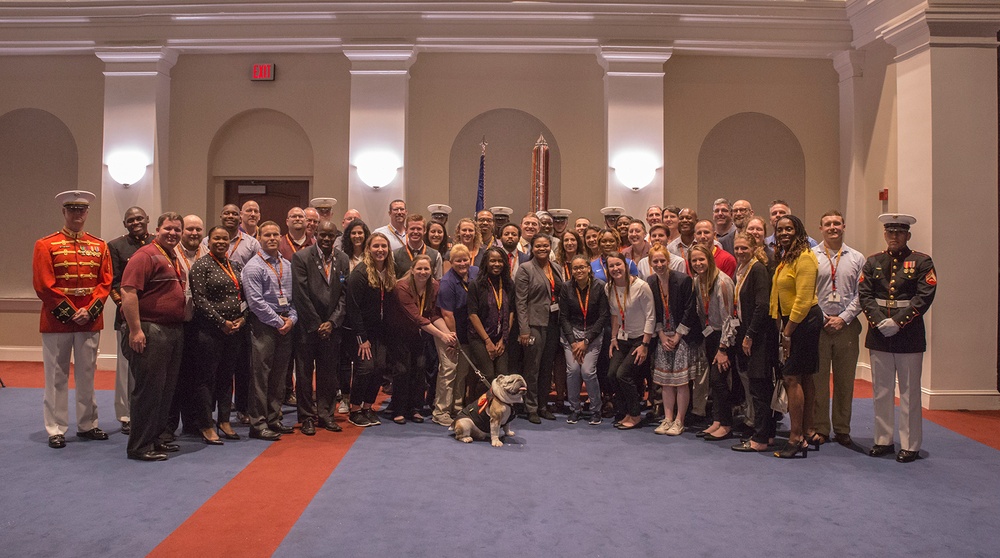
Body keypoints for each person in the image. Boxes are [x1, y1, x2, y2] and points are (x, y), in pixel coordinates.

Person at [33, 190, 113, 450]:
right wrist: (70, 313)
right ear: (64, 212)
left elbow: (106, 282)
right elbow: (44, 285)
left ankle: (87, 424)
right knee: (56, 376)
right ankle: (55, 428)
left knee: (87, 374)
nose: (78, 214)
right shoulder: (45, 244)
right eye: (72, 210)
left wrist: (90, 311)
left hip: (89, 319)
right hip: (58, 320)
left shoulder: (99, 245)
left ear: (87, 213)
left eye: (82, 210)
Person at [859, 213, 936, 463]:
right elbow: (865, 294)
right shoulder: (873, 261)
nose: (894, 236)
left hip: (909, 334)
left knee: (910, 392)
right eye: (890, 232)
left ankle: (910, 444)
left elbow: (924, 296)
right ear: (885, 235)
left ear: (908, 236)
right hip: (879, 333)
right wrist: (881, 321)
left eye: (899, 232)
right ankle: (883, 440)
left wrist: (898, 322)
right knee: (881, 391)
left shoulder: (922, 261)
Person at [120, 212, 187, 461]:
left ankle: (157, 438)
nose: (173, 233)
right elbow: (128, 292)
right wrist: (136, 330)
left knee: (165, 391)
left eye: (177, 230)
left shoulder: (172, 256)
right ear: (157, 230)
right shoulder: (145, 255)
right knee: (149, 391)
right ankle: (139, 446)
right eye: (168, 228)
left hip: (172, 330)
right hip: (150, 329)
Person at [769, 214, 823, 459]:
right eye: (780, 230)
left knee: (792, 378)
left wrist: (787, 332)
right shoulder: (786, 257)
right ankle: (808, 431)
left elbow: (802, 300)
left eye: (789, 229)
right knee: (804, 377)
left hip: (802, 322)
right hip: (794, 321)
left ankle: (796, 438)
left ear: (799, 230)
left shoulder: (805, 257)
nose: (783, 233)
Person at [810, 211, 865, 447]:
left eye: (836, 223)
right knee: (818, 381)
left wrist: (843, 318)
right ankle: (821, 428)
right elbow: (807, 292)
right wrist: (822, 317)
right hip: (818, 326)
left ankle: (842, 428)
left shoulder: (857, 258)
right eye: (827, 224)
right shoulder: (811, 256)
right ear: (820, 228)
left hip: (847, 327)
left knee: (845, 381)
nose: (833, 227)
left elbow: (862, 294)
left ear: (844, 226)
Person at [189, 226, 247, 444]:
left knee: (226, 377)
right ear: (208, 241)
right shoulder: (201, 265)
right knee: (206, 379)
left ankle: (224, 420)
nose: (221, 242)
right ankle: (206, 424)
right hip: (210, 331)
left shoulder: (235, 265)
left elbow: (244, 296)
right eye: (217, 239)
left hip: (234, 331)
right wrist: (222, 322)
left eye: (225, 239)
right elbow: (200, 299)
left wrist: (243, 319)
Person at [291, 220, 350, 435]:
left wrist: (333, 322)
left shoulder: (342, 259)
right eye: (322, 235)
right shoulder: (301, 257)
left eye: (330, 235)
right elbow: (300, 294)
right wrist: (317, 324)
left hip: (332, 329)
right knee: (305, 375)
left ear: (336, 236)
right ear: (315, 234)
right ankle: (307, 416)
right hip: (308, 328)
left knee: (329, 375)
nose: (326, 239)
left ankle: (326, 415)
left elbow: (344, 295)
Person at [242, 221, 298, 441]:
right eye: (267, 235)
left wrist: (291, 320)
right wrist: (278, 322)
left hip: (285, 325)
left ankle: (274, 419)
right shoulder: (253, 266)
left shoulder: (287, 265)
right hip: (264, 325)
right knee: (260, 376)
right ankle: (258, 423)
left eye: (275, 234)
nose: (272, 238)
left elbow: (294, 299)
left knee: (279, 375)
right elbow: (255, 302)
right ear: (260, 238)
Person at [388, 254, 457, 424]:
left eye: (426, 269)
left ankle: (416, 408)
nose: (423, 272)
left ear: (432, 271)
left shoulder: (434, 286)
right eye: (419, 268)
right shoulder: (401, 287)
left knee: (420, 368)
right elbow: (417, 318)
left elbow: (433, 315)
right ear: (412, 270)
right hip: (399, 333)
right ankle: (399, 409)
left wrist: (449, 333)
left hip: (419, 334)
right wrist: (442, 335)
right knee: (403, 370)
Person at [729, 233, 778, 452]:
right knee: (759, 388)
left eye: (744, 248)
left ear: (754, 247)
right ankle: (766, 435)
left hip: (759, 338)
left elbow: (762, 306)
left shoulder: (757, 268)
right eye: (737, 248)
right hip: (747, 334)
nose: (740, 252)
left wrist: (749, 336)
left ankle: (759, 438)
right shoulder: (742, 269)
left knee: (760, 389)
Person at [107, 206, 152, 435]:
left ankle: (150, 413)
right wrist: (128, 310)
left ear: (148, 219)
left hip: (155, 318)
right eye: (131, 220)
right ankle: (126, 415)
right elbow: (113, 283)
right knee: (126, 368)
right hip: (127, 317)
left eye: (139, 218)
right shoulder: (116, 246)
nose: (136, 222)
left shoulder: (157, 242)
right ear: (125, 224)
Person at [345, 232, 396, 427]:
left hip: (380, 333)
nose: (380, 250)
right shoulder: (360, 274)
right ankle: (355, 409)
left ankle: (368, 407)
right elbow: (353, 308)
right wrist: (362, 337)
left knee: (379, 369)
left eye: (384, 246)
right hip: (361, 333)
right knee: (365, 369)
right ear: (368, 249)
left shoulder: (390, 271)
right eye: (376, 246)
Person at [687, 244, 737, 441]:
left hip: (724, 337)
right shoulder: (698, 280)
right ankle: (717, 420)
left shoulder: (722, 282)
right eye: (694, 260)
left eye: (702, 259)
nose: (698, 263)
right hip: (710, 335)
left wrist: (723, 348)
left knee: (719, 380)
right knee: (714, 383)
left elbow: (729, 319)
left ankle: (726, 424)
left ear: (709, 259)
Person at [647, 245, 698, 436]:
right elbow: (652, 311)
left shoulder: (683, 279)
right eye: (655, 261)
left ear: (668, 261)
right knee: (666, 381)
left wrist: (677, 336)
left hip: (681, 335)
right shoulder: (651, 281)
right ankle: (668, 418)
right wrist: (660, 334)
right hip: (663, 335)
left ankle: (679, 420)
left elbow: (690, 309)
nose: (659, 264)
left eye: (662, 261)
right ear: (650, 263)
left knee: (681, 381)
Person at [166, 214, 207, 438]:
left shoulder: (208, 253)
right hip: (177, 322)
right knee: (174, 377)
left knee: (195, 376)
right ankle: (169, 426)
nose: (193, 233)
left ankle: (192, 423)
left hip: (200, 324)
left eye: (198, 230)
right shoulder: (170, 254)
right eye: (189, 229)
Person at [515, 233, 564, 423]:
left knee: (547, 367)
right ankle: (531, 407)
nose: (542, 249)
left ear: (550, 247)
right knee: (532, 367)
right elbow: (520, 302)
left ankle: (543, 405)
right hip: (534, 324)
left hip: (553, 322)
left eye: (545, 246)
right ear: (531, 248)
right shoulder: (525, 269)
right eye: (538, 246)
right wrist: (524, 330)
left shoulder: (556, 268)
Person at [605, 252, 655, 430]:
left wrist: (645, 344)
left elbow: (651, 317)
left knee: (623, 375)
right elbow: (615, 314)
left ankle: (635, 414)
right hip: (622, 338)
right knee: (611, 374)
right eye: (611, 266)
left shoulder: (641, 286)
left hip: (640, 339)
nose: (615, 269)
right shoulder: (608, 288)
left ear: (626, 266)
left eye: (618, 264)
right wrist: (613, 337)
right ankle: (624, 411)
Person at [558, 254, 609, 425]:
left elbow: (603, 316)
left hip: (592, 335)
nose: (579, 270)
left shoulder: (600, 286)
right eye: (575, 268)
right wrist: (573, 342)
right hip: (571, 335)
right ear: (571, 271)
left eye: (582, 267)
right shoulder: (566, 287)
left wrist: (586, 341)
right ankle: (575, 409)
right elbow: (563, 317)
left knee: (587, 371)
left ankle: (596, 409)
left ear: (589, 268)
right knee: (572, 370)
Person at [434, 245, 479, 426]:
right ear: (451, 263)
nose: (462, 263)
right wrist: (453, 340)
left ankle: (457, 407)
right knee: (449, 370)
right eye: (458, 261)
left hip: (467, 331)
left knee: (462, 371)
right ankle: (441, 411)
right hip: (448, 330)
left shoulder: (475, 272)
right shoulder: (447, 282)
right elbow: (447, 315)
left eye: (465, 259)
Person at [394, 214, 443, 279]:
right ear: (406, 230)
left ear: (424, 230)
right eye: (412, 228)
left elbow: (438, 282)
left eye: (419, 229)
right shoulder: (395, 255)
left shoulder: (436, 255)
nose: (415, 232)